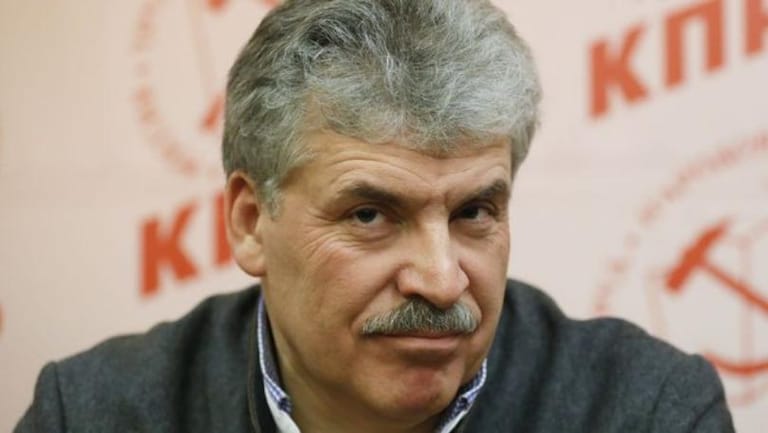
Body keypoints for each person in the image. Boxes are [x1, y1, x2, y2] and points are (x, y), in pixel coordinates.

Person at [15, 1, 735, 432]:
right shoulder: (94, 413)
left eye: (474, 211)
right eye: (370, 214)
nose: (442, 280)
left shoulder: (645, 409)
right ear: (250, 222)